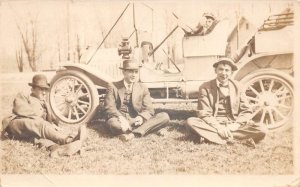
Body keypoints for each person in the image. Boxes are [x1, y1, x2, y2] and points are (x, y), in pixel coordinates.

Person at [186, 58, 267, 148]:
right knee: (191, 122)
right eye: (220, 69)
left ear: (231, 72)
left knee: (262, 129)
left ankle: (213, 137)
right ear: (215, 70)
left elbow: (246, 111)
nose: (224, 73)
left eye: (227, 70)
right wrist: (219, 127)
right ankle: (236, 139)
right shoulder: (205, 87)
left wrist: (236, 125)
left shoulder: (238, 86)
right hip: (213, 124)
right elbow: (204, 113)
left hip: (233, 124)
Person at [1, 74, 86, 157]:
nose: (44, 93)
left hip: (33, 130)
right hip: (17, 124)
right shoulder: (24, 96)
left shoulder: (45, 104)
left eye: (46, 90)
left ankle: (57, 149)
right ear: (33, 89)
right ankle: (68, 140)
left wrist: (52, 123)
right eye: (41, 89)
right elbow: (21, 110)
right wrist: (46, 124)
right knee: (39, 125)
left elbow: (52, 121)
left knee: (38, 136)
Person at [104, 59, 170, 141]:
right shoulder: (113, 86)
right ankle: (146, 129)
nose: (134, 75)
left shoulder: (143, 88)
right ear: (123, 72)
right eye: (130, 72)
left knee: (164, 116)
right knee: (115, 125)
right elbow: (109, 107)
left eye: (136, 72)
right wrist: (120, 118)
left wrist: (141, 117)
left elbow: (149, 109)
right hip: (118, 120)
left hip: (135, 120)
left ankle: (132, 134)